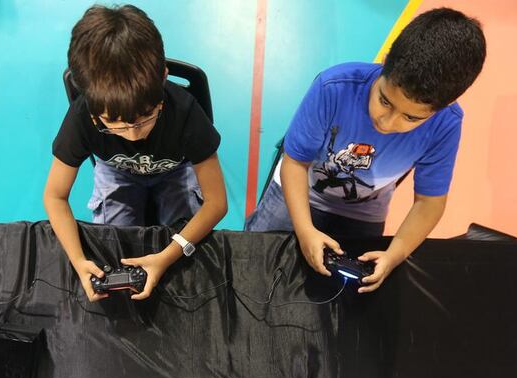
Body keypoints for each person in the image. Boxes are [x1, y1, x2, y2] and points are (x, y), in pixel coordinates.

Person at [245, 8, 486, 293]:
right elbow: (295, 163)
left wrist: (395, 254)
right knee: (253, 268)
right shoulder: (333, 87)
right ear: (385, 64)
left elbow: (429, 202)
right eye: (385, 101)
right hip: (297, 193)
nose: (387, 122)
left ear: (439, 110)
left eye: (411, 118)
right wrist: (305, 229)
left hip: (363, 213)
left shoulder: (445, 124)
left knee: (345, 297)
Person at [44, 4, 227, 302]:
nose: (132, 133)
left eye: (145, 116)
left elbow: (216, 202)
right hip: (116, 172)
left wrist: (167, 255)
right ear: (89, 104)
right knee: (112, 251)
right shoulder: (80, 117)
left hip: (175, 171)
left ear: (163, 77)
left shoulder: (185, 112)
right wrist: (77, 260)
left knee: (183, 259)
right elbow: (54, 196)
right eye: (113, 123)